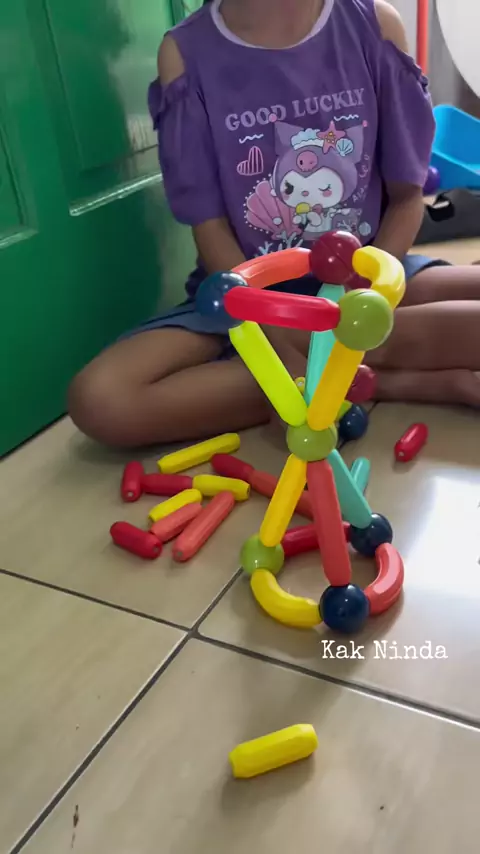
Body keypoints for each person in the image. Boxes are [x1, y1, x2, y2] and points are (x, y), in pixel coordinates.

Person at [69, 0, 480, 448]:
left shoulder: (375, 25)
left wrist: (359, 306)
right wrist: (278, 344)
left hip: (365, 287)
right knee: (103, 399)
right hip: (245, 301)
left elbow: (406, 200)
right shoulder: (184, 53)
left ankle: (332, 375)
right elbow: (210, 229)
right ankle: (372, 378)